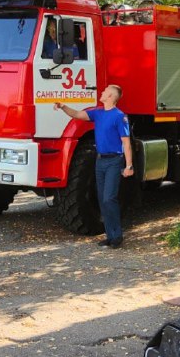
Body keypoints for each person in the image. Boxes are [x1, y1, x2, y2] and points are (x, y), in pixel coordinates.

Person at [54, 85, 134, 248]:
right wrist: (63, 106)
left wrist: (129, 165)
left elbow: (126, 143)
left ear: (111, 96)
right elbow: (76, 114)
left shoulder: (119, 117)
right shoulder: (97, 113)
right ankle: (109, 236)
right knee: (102, 199)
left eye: (105, 91)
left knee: (109, 198)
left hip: (114, 161)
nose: (102, 92)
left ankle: (117, 235)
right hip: (100, 161)